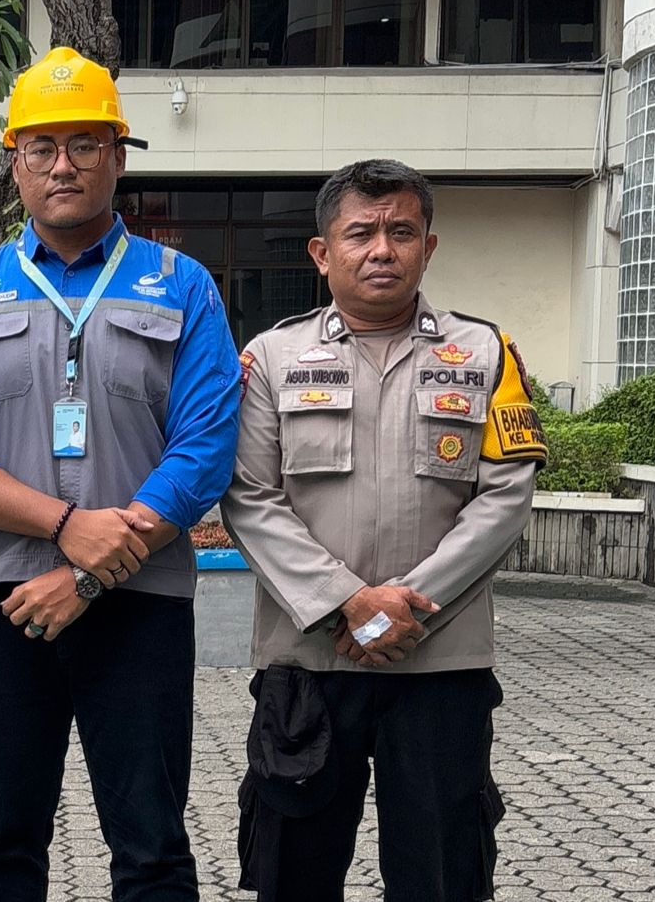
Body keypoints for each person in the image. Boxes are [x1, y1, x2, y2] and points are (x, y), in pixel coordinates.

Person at [0, 46, 241, 901]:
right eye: (42, 146)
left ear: (118, 156)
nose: (63, 164)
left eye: (85, 143)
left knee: (153, 847)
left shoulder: (182, 286)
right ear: (14, 162)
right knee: (3, 843)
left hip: (141, 607)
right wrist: (65, 527)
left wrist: (91, 569)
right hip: (0, 603)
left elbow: (204, 447)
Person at [221, 158, 545, 902]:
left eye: (401, 232)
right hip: (310, 661)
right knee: (293, 874)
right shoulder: (270, 358)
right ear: (321, 251)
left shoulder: (487, 354)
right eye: (360, 232)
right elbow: (249, 498)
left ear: (428, 247)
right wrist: (349, 604)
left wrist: (405, 607)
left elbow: (504, 496)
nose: (381, 249)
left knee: (442, 874)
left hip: (438, 665)